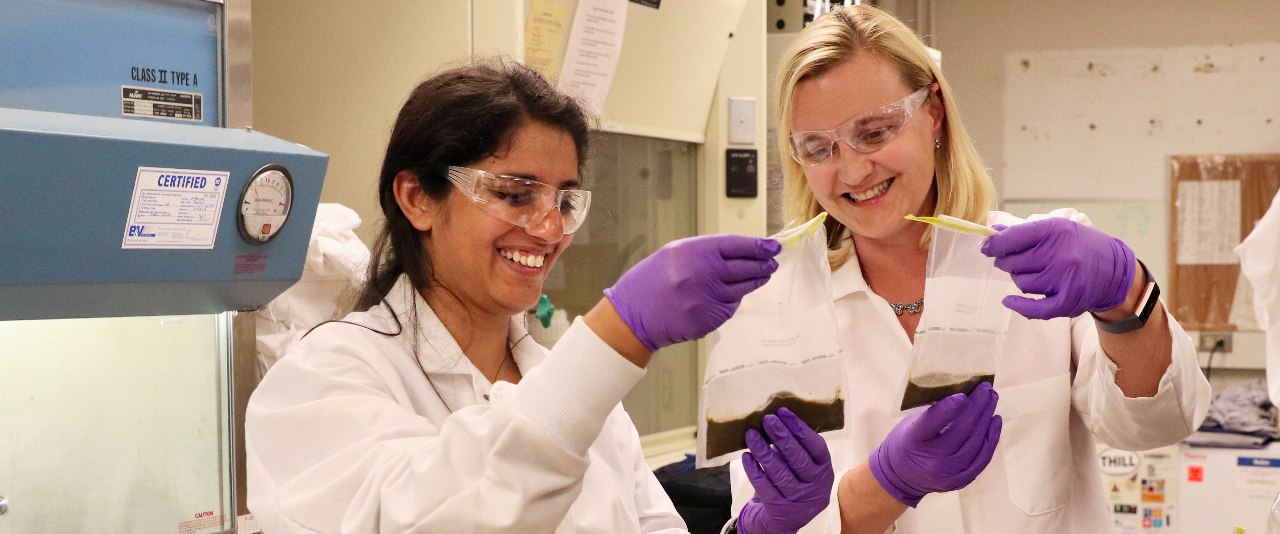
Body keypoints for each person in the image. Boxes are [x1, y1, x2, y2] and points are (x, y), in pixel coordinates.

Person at [243, 59, 835, 533]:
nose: (549, 230)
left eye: (565, 200)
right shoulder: (324, 378)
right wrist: (616, 335)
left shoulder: (578, 397)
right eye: (515, 194)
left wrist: (759, 528)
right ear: (416, 198)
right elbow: (443, 514)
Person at [730, 5, 1213, 533]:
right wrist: (888, 483)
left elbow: (1158, 423)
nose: (852, 170)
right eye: (818, 148)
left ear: (933, 112)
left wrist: (1127, 297)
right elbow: (764, 519)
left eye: (874, 132)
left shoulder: (1038, 263)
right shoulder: (770, 307)